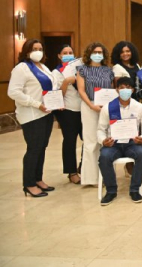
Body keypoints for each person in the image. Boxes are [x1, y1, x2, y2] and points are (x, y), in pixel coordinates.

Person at [8, 39, 57, 197]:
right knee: (34, 148)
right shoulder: (21, 68)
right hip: (32, 114)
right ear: (27, 51)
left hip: (46, 113)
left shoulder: (43, 67)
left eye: (40, 48)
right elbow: (13, 92)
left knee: (42, 147)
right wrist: (36, 104)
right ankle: (28, 184)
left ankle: (38, 179)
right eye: (34, 48)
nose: (38, 51)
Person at [97, 77, 142, 205]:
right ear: (116, 90)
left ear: (132, 90)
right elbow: (100, 129)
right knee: (104, 157)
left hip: (132, 143)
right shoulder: (107, 108)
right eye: (121, 88)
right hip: (113, 144)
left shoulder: (140, 107)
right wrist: (104, 141)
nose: (125, 90)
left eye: (128, 87)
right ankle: (111, 191)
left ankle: (134, 189)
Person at [76, 42, 114, 186]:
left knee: (105, 140)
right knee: (91, 141)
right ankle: (90, 179)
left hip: (106, 107)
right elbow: (81, 90)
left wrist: (107, 106)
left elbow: (110, 90)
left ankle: (105, 176)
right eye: (95, 52)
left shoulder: (108, 70)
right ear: (89, 53)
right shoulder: (82, 70)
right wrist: (92, 105)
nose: (97, 54)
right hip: (89, 106)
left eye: (100, 52)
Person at [52, 45, 83, 184]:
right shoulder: (56, 72)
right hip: (68, 111)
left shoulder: (79, 68)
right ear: (59, 56)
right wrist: (66, 82)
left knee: (88, 139)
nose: (68, 54)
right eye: (65, 53)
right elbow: (56, 95)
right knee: (70, 141)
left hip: (83, 108)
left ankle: (84, 166)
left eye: (71, 52)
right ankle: (72, 172)